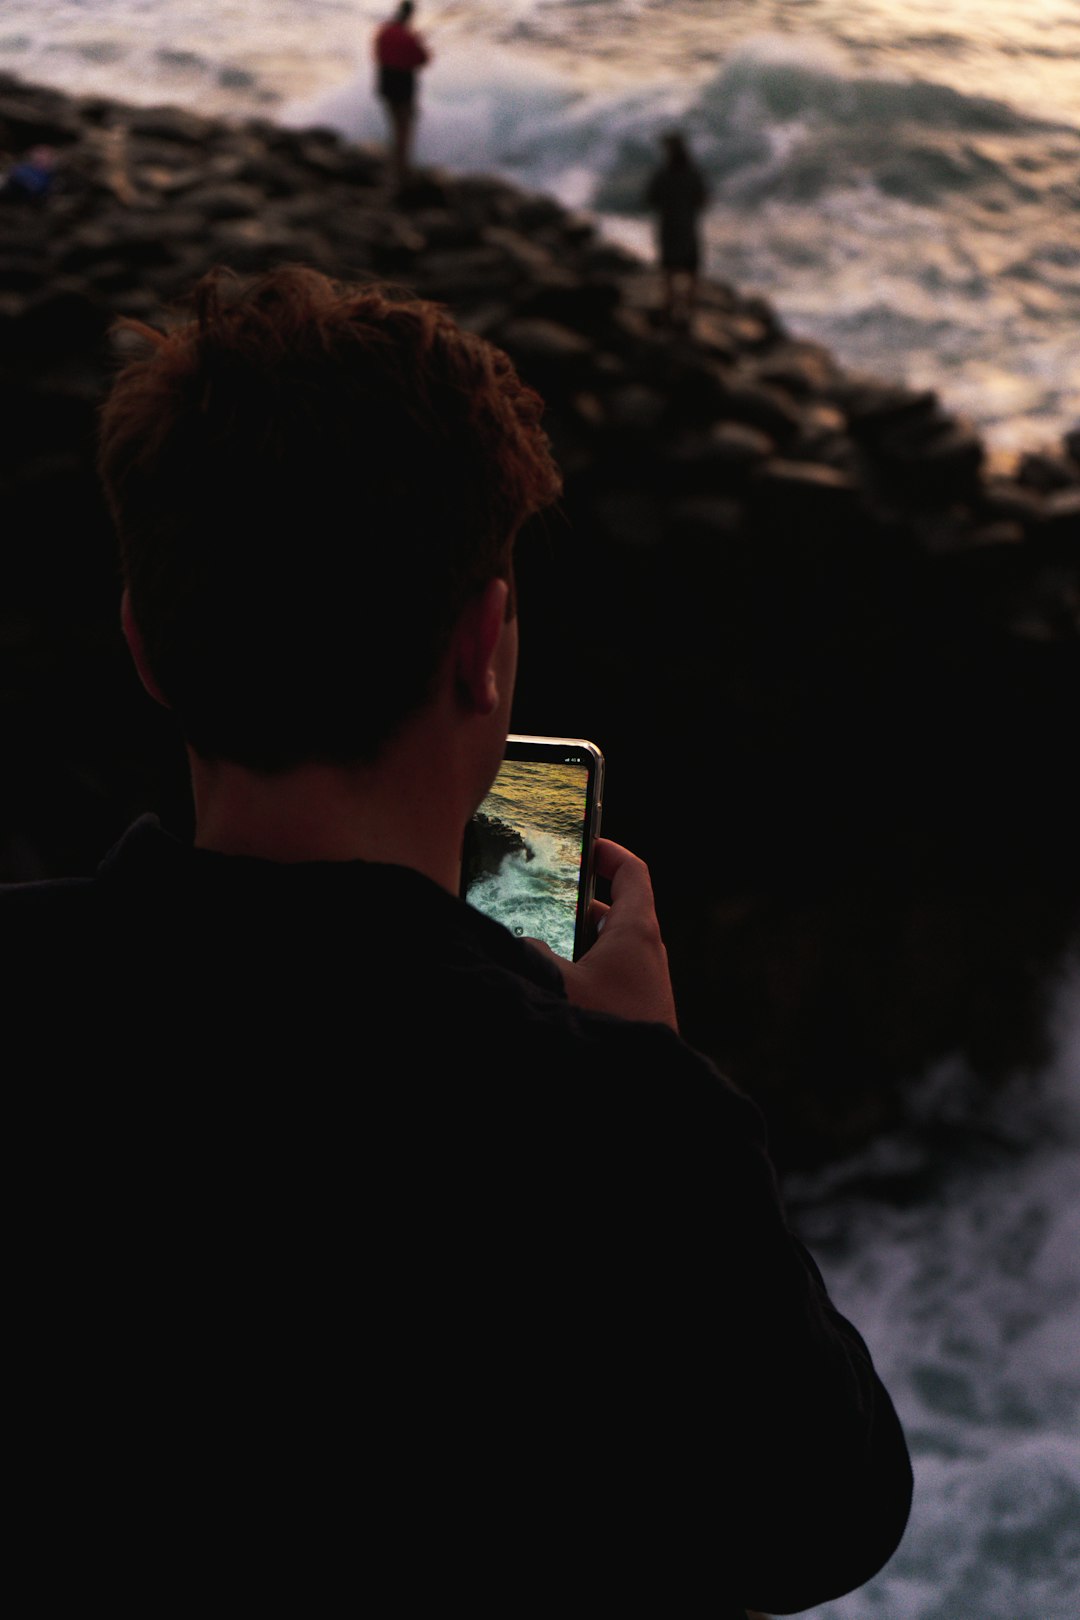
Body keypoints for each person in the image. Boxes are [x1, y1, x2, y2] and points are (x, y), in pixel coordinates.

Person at [3, 266, 911, 1614]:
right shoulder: (603, 1127)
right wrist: (647, 1076)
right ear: (483, 648)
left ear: (145, 644)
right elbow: (824, 1521)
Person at [646, 129, 709, 329]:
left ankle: (669, 310)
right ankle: (689, 313)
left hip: (668, 228)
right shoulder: (693, 173)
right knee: (691, 272)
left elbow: (651, 199)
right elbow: (703, 200)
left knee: (669, 272)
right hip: (688, 228)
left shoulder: (663, 175)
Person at [373, 0, 431, 188]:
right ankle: (401, 173)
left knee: (394, 128)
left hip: (386, 86)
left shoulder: (384, 32)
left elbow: (378, 55)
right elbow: (423, 59)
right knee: (404, 131)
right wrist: (419, 41)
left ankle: (394, 168)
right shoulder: (408, 37)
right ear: (410, 15)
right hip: (404, 90)